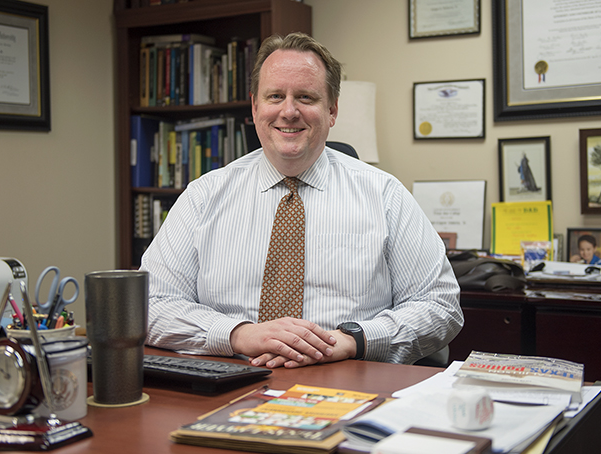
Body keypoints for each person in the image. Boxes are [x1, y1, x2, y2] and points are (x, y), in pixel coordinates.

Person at [140, 32, 463, 369]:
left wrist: (353, 340)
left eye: (306, 97)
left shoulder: (385, 195)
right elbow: (149, 304)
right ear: (254, 107)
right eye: (275, 96)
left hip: (347, 381)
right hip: (230, 379)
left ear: (332, 109)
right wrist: (238, 334)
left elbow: (439, 306)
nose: (289, 111)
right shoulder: (203, 197)